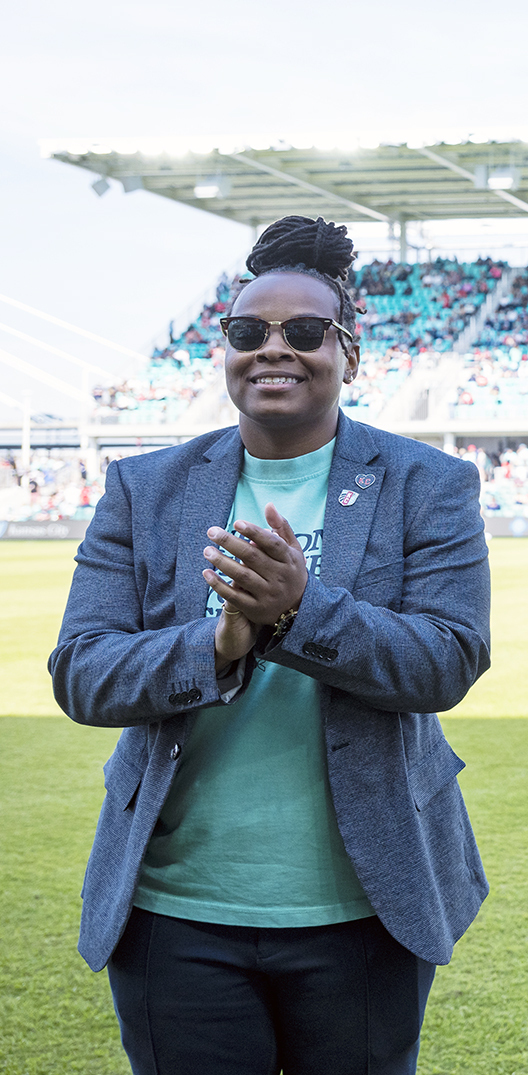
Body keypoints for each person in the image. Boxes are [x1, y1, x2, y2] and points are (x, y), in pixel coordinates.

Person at [50, 216, 491, 1075]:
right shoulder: (146, 488)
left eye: (304, 331)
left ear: (350, 355)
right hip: (175, 912)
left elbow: (448, 658)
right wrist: (216, 645)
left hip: (364, 908)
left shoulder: (428, 483)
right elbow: (82, 671)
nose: (272, 349)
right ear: (225, 352)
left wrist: (299, 613)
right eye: (247, 332)